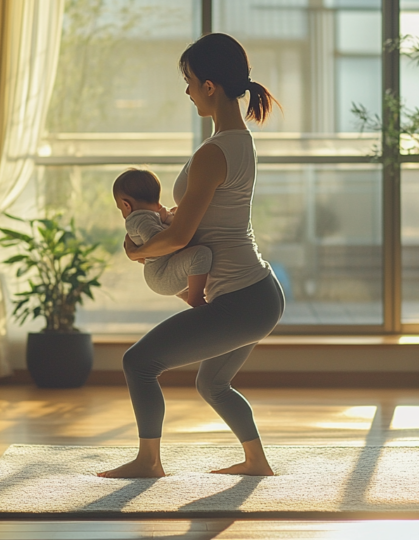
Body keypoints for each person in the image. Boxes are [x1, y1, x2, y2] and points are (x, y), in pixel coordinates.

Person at [97, 32, 285, 479]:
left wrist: (138, 251)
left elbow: (181, 239)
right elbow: (212, 215)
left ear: (209, 86)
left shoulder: (214, 151)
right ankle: (256, 462)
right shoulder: (237, 141)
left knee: (138, 363)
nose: (185, 90)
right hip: (258, 293)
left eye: (189, 79)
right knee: (213, 382)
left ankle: (148, 462)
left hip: (244, 299)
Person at [113, 167, 212, 307]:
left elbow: (158, 238)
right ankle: (195, 297)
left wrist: (169, 218)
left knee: (196, 254)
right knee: (201, 254)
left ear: (126, 204)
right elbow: (161, 242)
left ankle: (189, 294)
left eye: (120, 208)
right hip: (161, 274)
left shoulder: (142, 217)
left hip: (162, 272)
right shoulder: (140, 219)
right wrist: (172, 221)